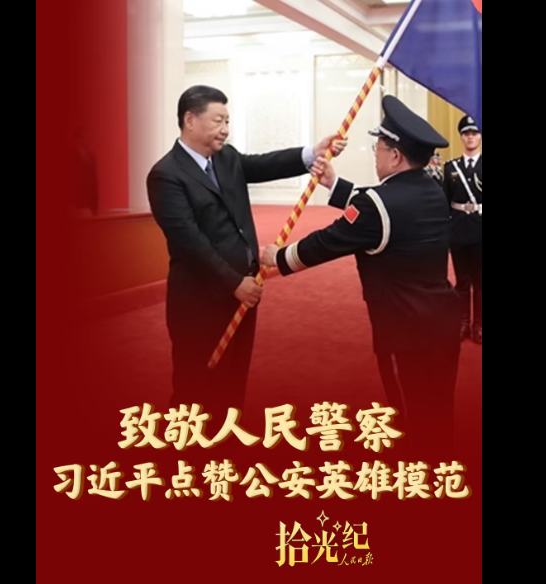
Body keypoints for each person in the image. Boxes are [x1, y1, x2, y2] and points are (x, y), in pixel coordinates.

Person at [260, 95, 459, 457]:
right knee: (436, 409)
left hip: (405, 331)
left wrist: (279, 257)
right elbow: (379, 206)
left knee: (410, 418)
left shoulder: (379, 205)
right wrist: (334, 183)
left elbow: (330, 240)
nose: (374, 154)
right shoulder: (431, 189)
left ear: (395, 156)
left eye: (378, 147)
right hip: (441, 322)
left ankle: (420, 477)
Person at [147, 85, 345, 423]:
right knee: (196, 385)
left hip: (244, 292)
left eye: (227, 121)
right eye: (218, 120)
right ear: (190, 120)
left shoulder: (226, 158)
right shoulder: (166, 174)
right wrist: (233, 283)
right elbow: (189, 242)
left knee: (232, 378)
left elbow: (264, 164)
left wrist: (312, 152)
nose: (225, 129)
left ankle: (227, 439)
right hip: (200, 301)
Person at [444, 115, 482, 344]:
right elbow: (445, 201)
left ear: (480, 137)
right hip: (458, 229)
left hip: (480, 230)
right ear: (461, 137)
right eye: (466, 133)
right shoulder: (451, 167)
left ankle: (479, 325)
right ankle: (463, 322)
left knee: (480, 281)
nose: (470, 137)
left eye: (474, 133)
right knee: (462, 281)